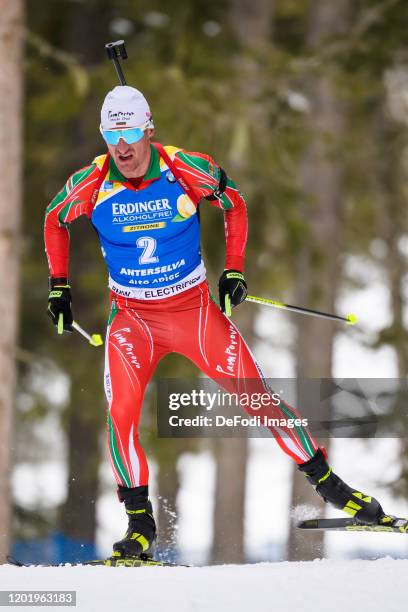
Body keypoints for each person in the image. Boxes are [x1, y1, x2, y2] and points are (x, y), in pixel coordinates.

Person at [45, 85, 384, 561]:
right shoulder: (91, 181)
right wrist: (59, 285)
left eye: (129, 133)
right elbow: (54, 219)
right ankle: (140, 526)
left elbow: (234, 203)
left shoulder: (187, 167)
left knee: (258, 398)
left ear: (148, 130)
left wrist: (236, 269)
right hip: (133, 322)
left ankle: (332, 487)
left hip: (194, 314)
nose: (121, 147)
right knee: (120, 414)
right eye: (110, 135)